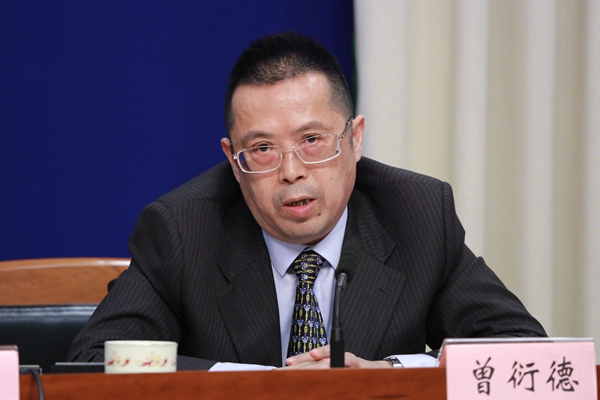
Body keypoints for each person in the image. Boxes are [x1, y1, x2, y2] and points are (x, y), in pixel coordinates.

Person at [68, 32, 546, 371]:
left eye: (312, 140)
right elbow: (94, 363)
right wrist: (262, 387)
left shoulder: (416, 213)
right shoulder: (182, 229)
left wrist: (391, 372)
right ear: (233, 160)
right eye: (262, 149)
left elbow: (527, 355)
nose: (291, 170)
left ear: (355, 139)